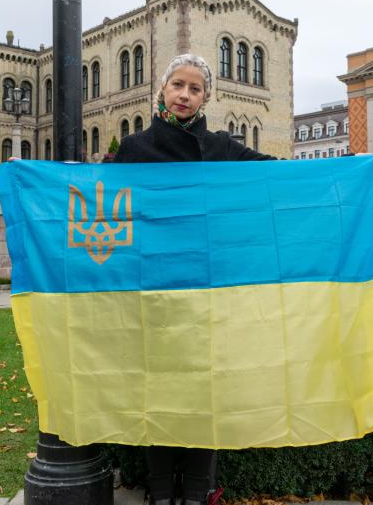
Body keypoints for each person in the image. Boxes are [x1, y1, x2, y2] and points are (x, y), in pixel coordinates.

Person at [113, 53, 273, 505]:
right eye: (177, 85)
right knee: (159, 389)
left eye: (195, 88)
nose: (184, 94)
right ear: (162, 88)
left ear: (206, 97)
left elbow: (275, 172)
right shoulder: (134, 149)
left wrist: (348, 165)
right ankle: (161, 491)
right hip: (152, 287)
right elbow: (108, 211)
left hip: (207, 286)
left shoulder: (221, 148)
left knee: (205, 387)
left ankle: (200, 490)